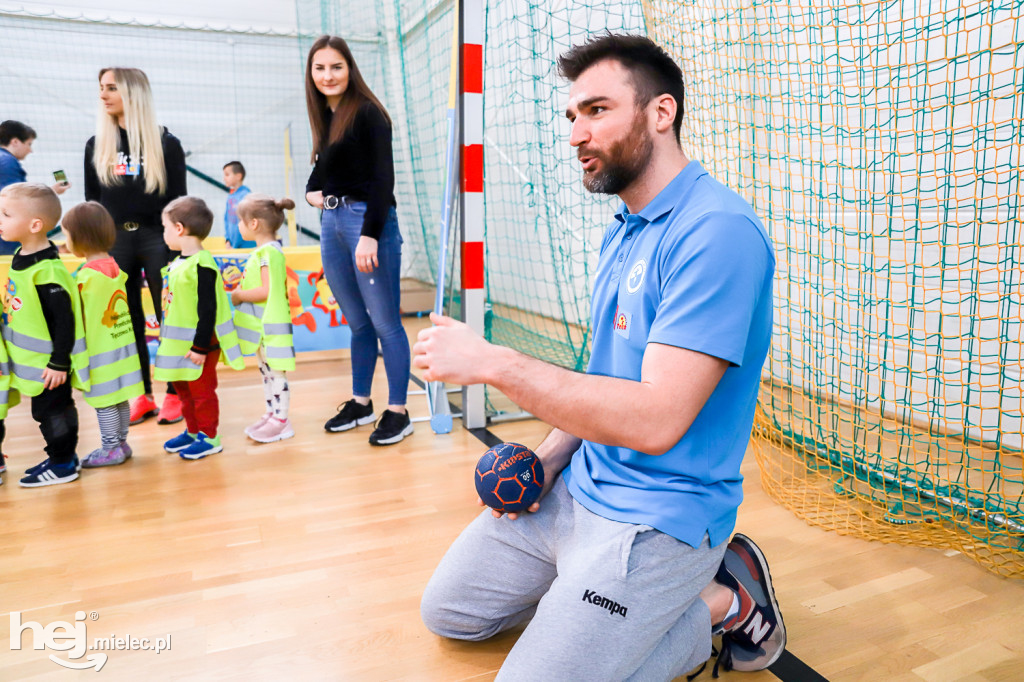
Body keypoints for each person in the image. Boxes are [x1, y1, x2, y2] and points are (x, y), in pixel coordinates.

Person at [414, 35, 784, 680]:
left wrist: (496, 364)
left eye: (597, 110)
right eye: (572, 116)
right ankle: (596, 602)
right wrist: (553, 456)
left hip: (660, 514)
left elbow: (654, 419)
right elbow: (606, 381)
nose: (577, 133)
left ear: (660, 113)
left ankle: (726, 600)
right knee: (450, 614)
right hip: (582, 482)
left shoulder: (716, 233)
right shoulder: (626, 226)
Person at [303, 35, 413, 446]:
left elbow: (384, 178)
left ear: (350, 69)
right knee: (358, 322)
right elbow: (321, 171)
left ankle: (398, 412)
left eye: (336, 67)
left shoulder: (368, 113)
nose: (328, 75)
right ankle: (361, 401)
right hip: (331, 223)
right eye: (320, 68)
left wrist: (369, 235)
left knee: (385, 323)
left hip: (367, 223)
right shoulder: (327, 116)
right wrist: (312, 193)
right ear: (311, 73)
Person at [84, 67, 187, 426]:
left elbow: (179, 201)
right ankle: (141, 394)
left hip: (158, 237)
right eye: (101, 88)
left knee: (169, 315)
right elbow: (92, 202)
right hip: (115, 241)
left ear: (132, 93)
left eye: (111, 88)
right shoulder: (96, 145)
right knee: (124, 323)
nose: (103, 95)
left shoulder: (167, 144)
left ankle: (176, 392)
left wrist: (181, 246)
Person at [0, 183, 88, 487]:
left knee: (54, 413)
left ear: (35, 225)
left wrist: (59, 363)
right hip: (33, 363)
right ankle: (59, 456)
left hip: (49, 366)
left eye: (6, 214)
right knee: (44, 413)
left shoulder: (47, 271)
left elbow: (64, 322)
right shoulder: (20, 254)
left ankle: (64, 463)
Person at [155, 196, 244, 460]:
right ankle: (193, 431)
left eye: (165, 227)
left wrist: (200, 347)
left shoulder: (202, 264)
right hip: (178, 346)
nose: (164, 233)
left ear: (179, 229)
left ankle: (209, 436)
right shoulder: (177, 263)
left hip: (199, 346)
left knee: (201, 393)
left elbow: (208, 311)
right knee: (183, 389)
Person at [62, 202, 144, 468]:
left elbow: (80, 316)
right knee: (118, 397)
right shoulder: (113, 266)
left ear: (80, 238)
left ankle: (110, 448)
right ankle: (120, 443)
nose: (65, 241)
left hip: (99, 351)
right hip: (121, 347)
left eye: (66, 235)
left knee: (104, 402)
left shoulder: (87, 276)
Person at [231, 194, 296, 443]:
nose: (238, 225)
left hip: (271, 329)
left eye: (240, 220)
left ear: (254, 223)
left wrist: (238, 296)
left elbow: (266, 290)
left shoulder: (269, 253)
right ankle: (272, 414)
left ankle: (281, 421)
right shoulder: (264, 252)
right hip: (262, 329)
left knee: (276, 374)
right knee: (267, 373)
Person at [0, 120, 71, 255]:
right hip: (6, 245)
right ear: (15, 142)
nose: (30, 150)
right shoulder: (7, 163)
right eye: (29, 144)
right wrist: (51, 192)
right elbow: (14, 202)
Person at [222, 161, 254, 249]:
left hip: (246, 245)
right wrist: (227, 240)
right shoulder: (230, 196)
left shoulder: (246, 195)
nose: (224, 178)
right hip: (232, 245)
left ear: (238, 176)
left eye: (227, 175)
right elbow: (226, 219)